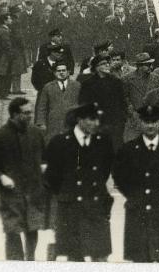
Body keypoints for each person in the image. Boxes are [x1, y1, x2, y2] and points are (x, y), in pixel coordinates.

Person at [112, 105, 159, 263]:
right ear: (140, 123)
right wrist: (135, 195)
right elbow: (120, 177)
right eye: (146, 121)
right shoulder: (129, 149)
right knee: (141, 260)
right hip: (139, 211)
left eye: (154, 121)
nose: (150, 125)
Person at [43, 103, 114, 262]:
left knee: (101, 257)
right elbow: (51, 178)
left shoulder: (103, 142)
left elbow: (105, 170)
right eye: (91, 119)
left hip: (96, 206)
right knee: (75, 257)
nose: (96, 123)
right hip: (70, 209)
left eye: (97, 120)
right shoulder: (60, 143)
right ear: (79, 120)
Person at [0, 98, 46, 261]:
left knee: (32, 229)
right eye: (26, 113)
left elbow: (45, 156)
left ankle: (30, 261)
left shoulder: (36, 133)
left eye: (31, 112)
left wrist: (44, 165)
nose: (31, 116)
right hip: (11, 194)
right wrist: (0, 177)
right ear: (15, 114)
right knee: (13, 231)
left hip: (33, 191)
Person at [79, 54, 128, 152]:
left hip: (115, 123)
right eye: (103, 64)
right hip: (97, 123)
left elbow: (122, 102)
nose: (107, 65)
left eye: (107, 63)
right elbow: (84, 104)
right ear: (96, 68)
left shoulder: (116, 82)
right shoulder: (87, 84)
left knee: (115, 149)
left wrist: (122, 118)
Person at [35, 60, 81, 141]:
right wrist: (41, 123)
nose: (61, 73)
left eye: (64, 70)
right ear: (54, 73)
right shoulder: (48, 87)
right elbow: (42, 107)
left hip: (72, 123)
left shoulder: (77, 86)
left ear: (68, 72)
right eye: (58, 71)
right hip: (54, 124)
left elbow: (82, 104)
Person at [0, 13, 14, 100]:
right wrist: (11, 54)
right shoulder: (4, 31)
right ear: (5, 21)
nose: (11, 20)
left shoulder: (2, 30)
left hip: (3, 55)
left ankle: (2, 93)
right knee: (5, 75)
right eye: (9, 19)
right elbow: (7, 45)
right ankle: (3, 94)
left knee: (3, 75)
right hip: (5, 56)